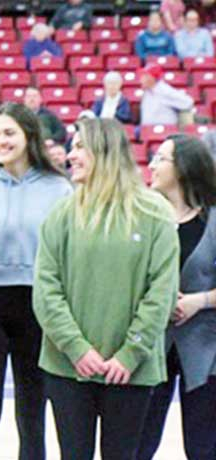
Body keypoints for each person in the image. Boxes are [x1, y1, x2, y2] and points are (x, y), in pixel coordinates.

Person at [34, 118, 179, 460]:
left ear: (105, 150)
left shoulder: (153, 211)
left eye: (80, 146)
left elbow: (162, 290)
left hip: (132, 370)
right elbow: (45, 288)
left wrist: (131, 353)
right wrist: (76, 347)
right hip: (68, 367)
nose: (71, 156)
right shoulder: (62, 213)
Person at [0, 103, 73, 460]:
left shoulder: (59, 188)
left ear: (29, 137)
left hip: (38, 304)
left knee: (32, 405)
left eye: (9, 133)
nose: (1, 140)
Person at [136, 134, 216, 460]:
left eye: (161, 158)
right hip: (150, 347)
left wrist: (199, 301)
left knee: (203, 448)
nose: (152, 165)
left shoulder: (212, 218)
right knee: (138, 446)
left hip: (206, 351)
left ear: (182, 168)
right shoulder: (145, 217)